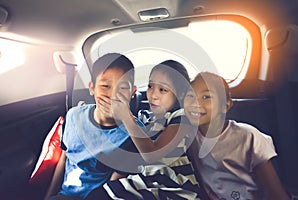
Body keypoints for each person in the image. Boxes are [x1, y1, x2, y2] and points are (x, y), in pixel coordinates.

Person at [91, 60, 209, 200]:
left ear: (181, 94)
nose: (153, 95)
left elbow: (153, 153)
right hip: (147, 180)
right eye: (150, 86)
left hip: (172, 184)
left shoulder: (182, 117)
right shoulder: (147, 118)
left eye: (163, 90)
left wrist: (126, 116)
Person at [45, 53, 144, 200]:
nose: (113, 95)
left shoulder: (134, 135)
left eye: (122, 88)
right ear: (92, 88)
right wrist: (48, 195)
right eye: (105, 86)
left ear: (132, 93)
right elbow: (65, 157)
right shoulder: (73, 117)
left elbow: (115, 185)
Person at [183, 72, 290, 200]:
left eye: (206, 97)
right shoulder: (188, 136)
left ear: (225, 106)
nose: (195, 103)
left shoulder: (249, 137)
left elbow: (277, 195)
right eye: (190, 96)